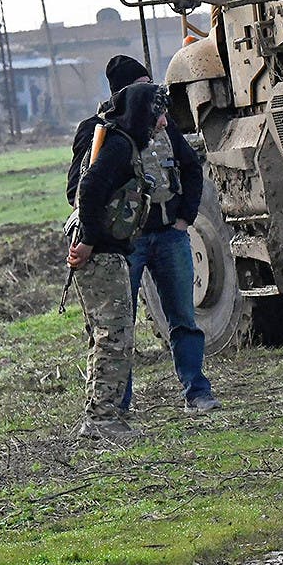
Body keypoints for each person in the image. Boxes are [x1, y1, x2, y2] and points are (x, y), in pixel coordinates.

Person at [67, 55, 217, 414]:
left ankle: (197, 392)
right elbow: (79, 189)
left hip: (169, 236)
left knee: (184, 318)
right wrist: (94, 234)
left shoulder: (161, 125)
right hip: (124, 247)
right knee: (118, 329)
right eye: (140, 86)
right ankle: (118, 404)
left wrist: (184, 218)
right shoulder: (99, 131)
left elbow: (191, 166)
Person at [66, 82, 169, 444]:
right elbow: (89, 188)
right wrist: (91, 242)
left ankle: (104, 416)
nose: (163, 123)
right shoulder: (120, 144)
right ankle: (100, 421)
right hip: (102, 254)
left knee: (108, 336)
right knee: (114, 336)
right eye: (158, 114)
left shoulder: (119, 140)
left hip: (105, 251)